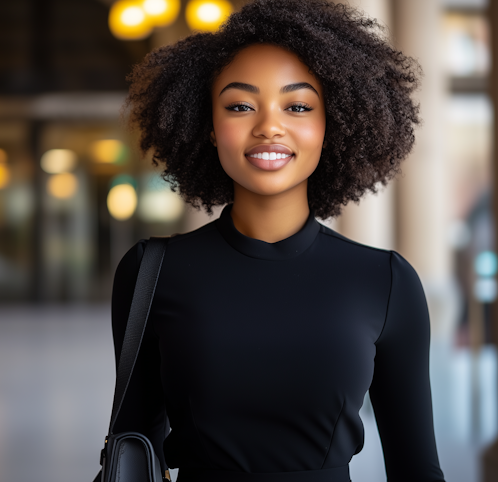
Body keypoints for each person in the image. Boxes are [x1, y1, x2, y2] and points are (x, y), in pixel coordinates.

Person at [111, 0, 446, 480]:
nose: (269, 125)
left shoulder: (387, 281)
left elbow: (417, 469)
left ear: (333, 124)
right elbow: (131, 451)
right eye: (240, 105)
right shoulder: (150, 272)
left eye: (298, 106)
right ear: (208, 126)